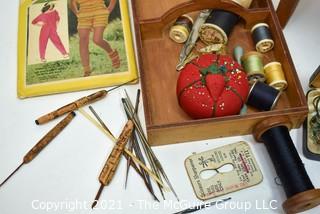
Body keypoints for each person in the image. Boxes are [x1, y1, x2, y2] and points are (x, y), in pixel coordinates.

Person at [70, 0, 120, 77]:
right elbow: (72, 3)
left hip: (99, 12)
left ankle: (112, 53)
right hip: (83, 14)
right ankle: (86, 70)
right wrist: (77, 13)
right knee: (83, 41)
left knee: (97, 39)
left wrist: (109, 9)